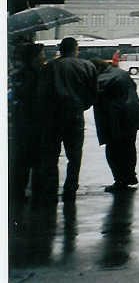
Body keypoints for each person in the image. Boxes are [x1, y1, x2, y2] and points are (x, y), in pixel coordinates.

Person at [43, 37, 98, 202]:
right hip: (75, 114)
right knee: (74, 155)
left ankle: (52, 187)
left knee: (52, 154)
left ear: (60, 49)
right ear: (76, 49)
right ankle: (71, 187)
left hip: (53, 116)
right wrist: (82, 105)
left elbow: (42, 93)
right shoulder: (87, 66)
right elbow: (93, 92)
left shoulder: (49, 67)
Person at [92, 59, 139, 192]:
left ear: (97, 69)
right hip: (132, 116)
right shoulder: (122, 73)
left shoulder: (102, 79)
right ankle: (130, 176)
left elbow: (93, 96)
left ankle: (119, 180)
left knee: (113, 150)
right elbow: (134, 87)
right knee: (129, 148)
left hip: (115, 119)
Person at [9, 42, 46, 204]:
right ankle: (26, 194)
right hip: (32, 123)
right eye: (41, 55)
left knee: (23, 160)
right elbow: (37, 100)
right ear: (34, 58)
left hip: (23, 123)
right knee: (32, 160)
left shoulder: (20, 73)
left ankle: (19, 191)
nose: (44, 57)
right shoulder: (34, 75)